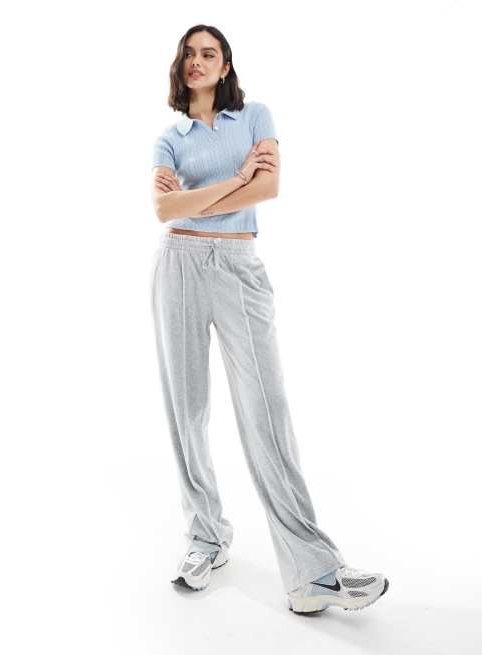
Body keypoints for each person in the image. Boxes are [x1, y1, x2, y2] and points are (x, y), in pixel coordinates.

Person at [149, 24, 389, 613]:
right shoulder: (169, 139)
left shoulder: (256, 116)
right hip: (178, 264)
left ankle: (311, 572)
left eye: (209, 53)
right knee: (187, 409)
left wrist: (199, 196)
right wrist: (237, 180)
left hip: (238, 266)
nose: (197, 61)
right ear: (180, 67)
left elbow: (270, 187)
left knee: (266, 410)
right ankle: (205, 538)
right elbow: (164, 209)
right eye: (189, 53)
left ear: (226, 65)